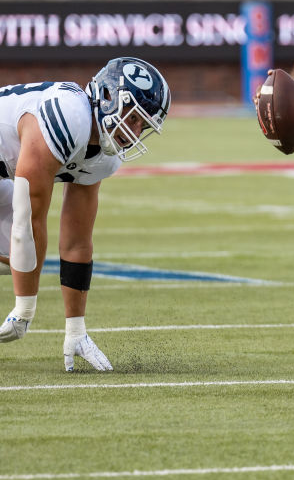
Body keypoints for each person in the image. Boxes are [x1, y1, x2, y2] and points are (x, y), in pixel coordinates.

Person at [0, 57, 171, 371]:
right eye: (132, 117)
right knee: (20, 239)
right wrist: (24, 308)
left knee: (14, 253)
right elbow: (28, 218)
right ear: (107, 97)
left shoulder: (103, 156)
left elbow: (77, 243)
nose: (134, 131)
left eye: (143, 124)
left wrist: (75, 328)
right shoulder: (68, 115)